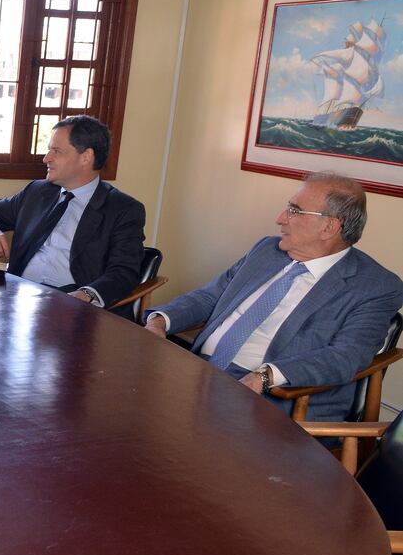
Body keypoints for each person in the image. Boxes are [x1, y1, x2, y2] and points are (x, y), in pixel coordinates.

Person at [145, 172, 403, 422]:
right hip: (201, 370)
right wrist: (160, 321)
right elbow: (211, 295)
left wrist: (265, 376)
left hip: (277, 398)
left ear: (329, 227)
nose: (280, 218)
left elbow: (345, 356)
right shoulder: (267, 250)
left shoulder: (375, 286)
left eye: (294, 211)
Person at [0, 115, 146, 309]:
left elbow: (124, 272)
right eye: (48, 150)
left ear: (86, 157)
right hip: (19, 298)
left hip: (74, 308)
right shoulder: (37, 192)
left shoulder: (123, 210)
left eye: (56, 151)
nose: (46, 158)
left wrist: (86, 295)